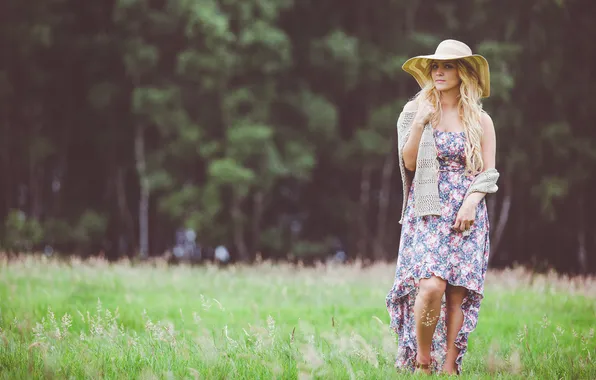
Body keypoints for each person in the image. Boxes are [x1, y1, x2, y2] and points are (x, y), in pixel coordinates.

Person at [385, 39, 500, 375]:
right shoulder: (413, 111)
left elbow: (488, 171)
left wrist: (471, 204)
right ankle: (423, 358)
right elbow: (407, 163)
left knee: (456, 297)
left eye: (447, 66)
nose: (439, 71)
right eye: (435, 66)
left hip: (466, 212)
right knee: (431, 286)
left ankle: (450, 363)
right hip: (426, 209)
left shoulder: (480, 120)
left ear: (463, 73)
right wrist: (421, 122)